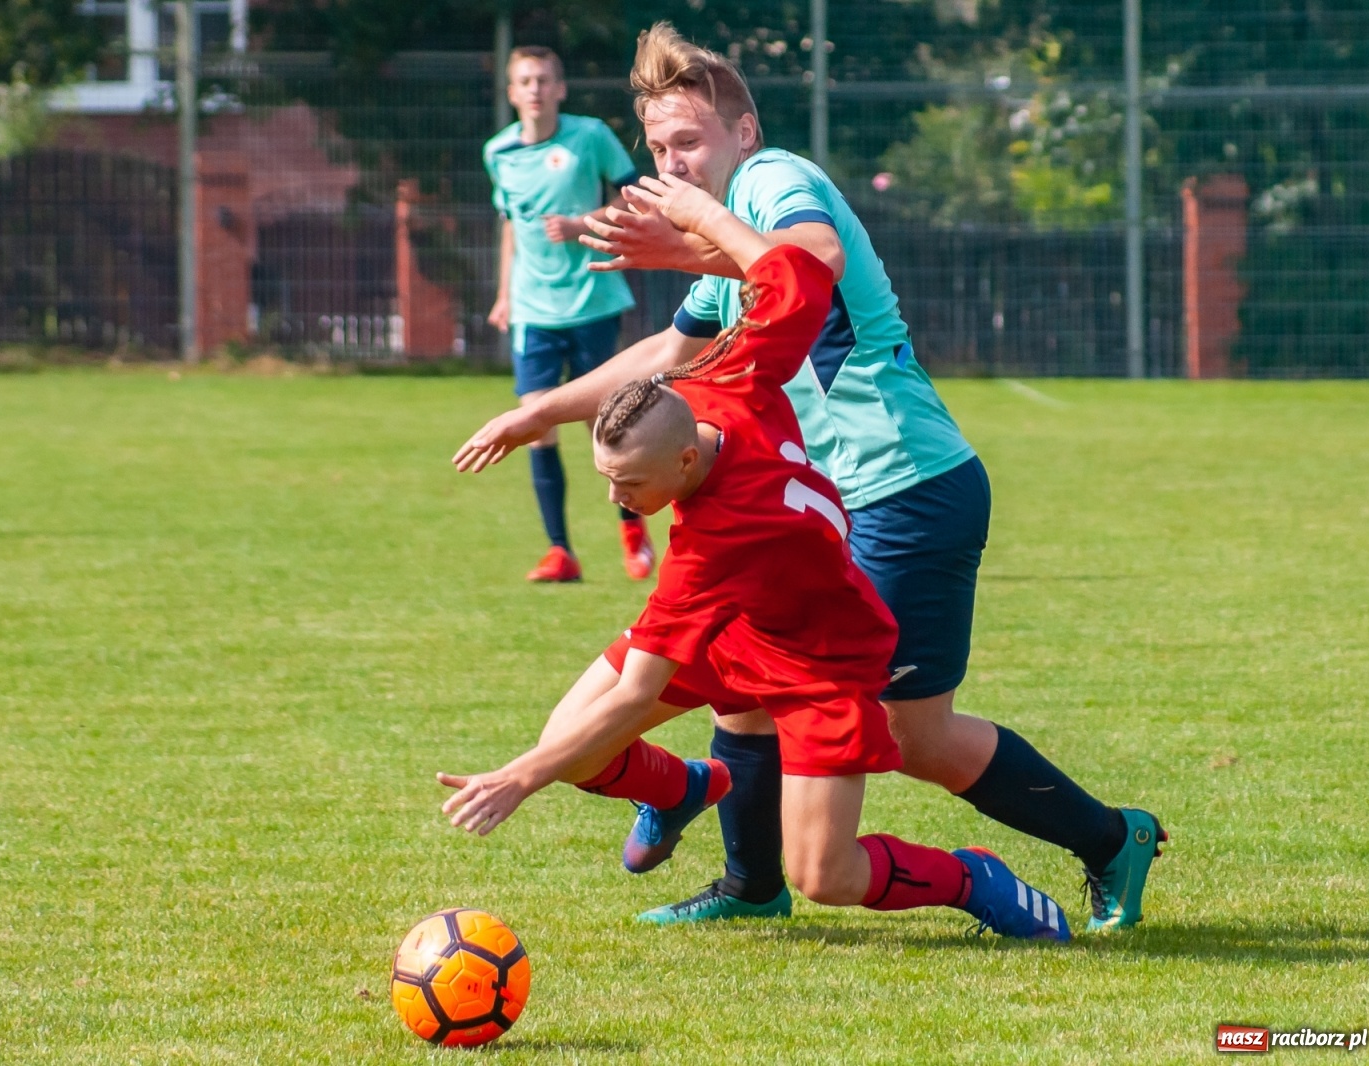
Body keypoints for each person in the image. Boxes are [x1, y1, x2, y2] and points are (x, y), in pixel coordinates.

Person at [456, 23, 1163, 933]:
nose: (673, 163)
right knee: (749, 681)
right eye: (660, 148)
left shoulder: (771, 179)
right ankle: (754, 882)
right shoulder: (732, 219)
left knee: (917, 739)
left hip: (907, 490)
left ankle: (1111, 839)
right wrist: (542, 410)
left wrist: (699, 230)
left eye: (690, 142)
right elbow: (673, 349)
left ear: (743, 131)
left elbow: (812, 267)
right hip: (827, 512)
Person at [439, 208, 1070, 942]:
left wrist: (521, 776)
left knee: (825, 876)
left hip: (820, 657)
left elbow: (637, 692)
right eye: (607, 479)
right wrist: (535, 414)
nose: (618, 501)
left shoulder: (712, 547)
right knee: (572, 737)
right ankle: (680, 790)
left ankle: (971, 877)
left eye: (631, 485)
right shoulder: (722, 379)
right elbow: (795, 277)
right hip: (741, 623)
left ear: (683, 462)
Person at [483, 45, 655, 583]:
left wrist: (583, 223)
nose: (535, 89)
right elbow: (510, 224)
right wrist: (504, 293)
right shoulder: (498, 152)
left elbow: (637, 198)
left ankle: (633, 531)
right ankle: (561, 552)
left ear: (561, 88)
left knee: (601, 422)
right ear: (512, 93)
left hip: (592, 301)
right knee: (537, 424)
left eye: (544, 80)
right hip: (534, 309)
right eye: (525, 81)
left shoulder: (590, 137)